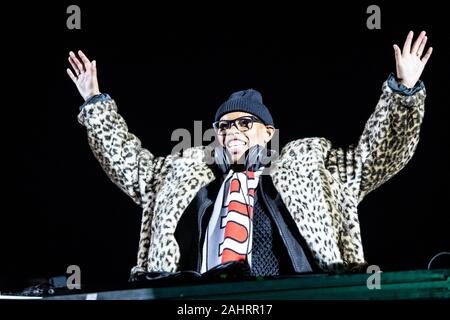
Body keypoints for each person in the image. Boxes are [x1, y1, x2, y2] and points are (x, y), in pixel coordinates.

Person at [67, 31, 432, 277]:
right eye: (224, 125)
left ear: (269, 133)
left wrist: (403, 91)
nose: (232, 131)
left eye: (244, 123)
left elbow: (375, 156)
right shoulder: (184, 176)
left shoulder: (313, 167)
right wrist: (95, 104)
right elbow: (133, 167)